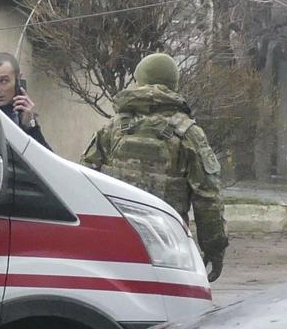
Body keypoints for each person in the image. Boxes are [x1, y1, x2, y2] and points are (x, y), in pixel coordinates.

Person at [82, 53, 228, 279]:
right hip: (166, 243)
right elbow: (207, 197)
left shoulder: (112, 128)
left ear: (139, 81)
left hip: (116, 240)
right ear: (174, 84)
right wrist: (214, 248)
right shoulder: (188, 133)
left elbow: (85, 182)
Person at [0, 51, 47, 148]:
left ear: (18, 79)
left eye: (3, 81)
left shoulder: (24, 112)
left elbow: (44, 159)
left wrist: (30, 125)